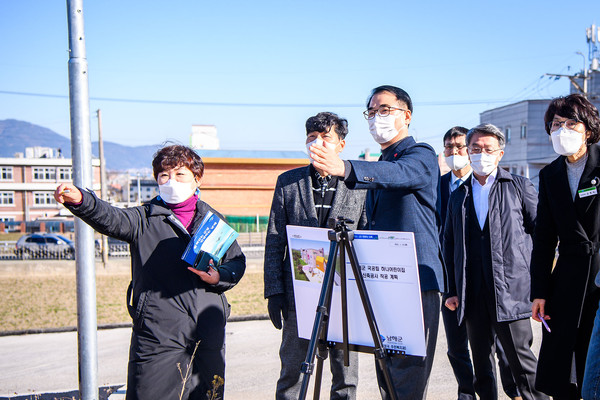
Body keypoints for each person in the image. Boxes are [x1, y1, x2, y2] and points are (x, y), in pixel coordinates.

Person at [54, 145, 246, 400]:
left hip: (206, 330)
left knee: (207, 394)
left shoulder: (213, 220)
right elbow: (110, 217)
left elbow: (236, 261)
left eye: (180, 175)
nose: (171, 182)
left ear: (197, 179)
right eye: (164, 176)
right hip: (158, 330)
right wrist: (82, 200)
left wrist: (219, 276)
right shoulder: (143, 218)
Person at [310, 85, 444, 400]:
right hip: (385, 281)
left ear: (406, 115)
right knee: (388, 370)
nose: (375, 118)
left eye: (384, 110)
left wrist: (345, 167)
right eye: (370, 112)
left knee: (407, 376)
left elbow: (398, 173)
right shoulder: (382, 161)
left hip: (417, 281)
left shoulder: (420, 155)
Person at [264, 112, 367, 400]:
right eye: (312, 137)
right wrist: (274, 291)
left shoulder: (359, 185)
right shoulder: (288, 182)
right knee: (293, 373)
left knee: (345, 376)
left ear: (341, 145)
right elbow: (275, 239)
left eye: (326, 137)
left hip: (345, 293)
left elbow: (369, 237)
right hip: (298, 291)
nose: (318, 143)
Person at [444, 124, 548, 400]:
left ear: (500, 154)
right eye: (475, 149)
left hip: (511, 289)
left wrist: (539, 286)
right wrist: (452, 289)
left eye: (488, 149)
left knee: (521, 362)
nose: (481, 154)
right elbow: (450, 244)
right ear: (468, 152)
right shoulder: (459, 195)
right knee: (482, 365)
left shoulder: (518, 186)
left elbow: (541, 234)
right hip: (472, 290)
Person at [530, 93, 600, 399]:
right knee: (562, 361)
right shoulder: (550, 175)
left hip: (599, 274)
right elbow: (544, 237)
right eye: (557, 124)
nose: (564, 130)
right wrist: (539, 291)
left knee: (594, 355)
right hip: (567, 278)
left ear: (588, 129)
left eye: (573, 123)